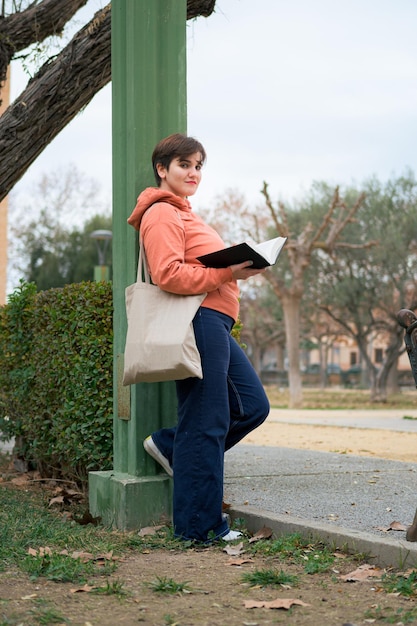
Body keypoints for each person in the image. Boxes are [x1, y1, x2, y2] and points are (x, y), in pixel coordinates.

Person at [127, 133, 270, 543]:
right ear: (162, 169)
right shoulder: (161, 213)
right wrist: (230, 272)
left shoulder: (186, 213)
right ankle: (199, 526)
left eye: (198, 166)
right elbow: (168, 274)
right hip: (198, 319)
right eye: (184, 165)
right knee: (206, 420)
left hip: (216, 320)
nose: (193, 173)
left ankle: (172, 446)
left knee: (252, 406)